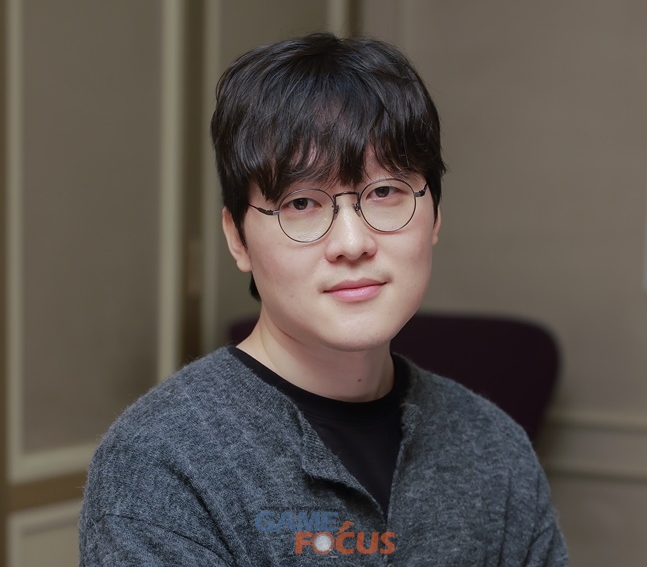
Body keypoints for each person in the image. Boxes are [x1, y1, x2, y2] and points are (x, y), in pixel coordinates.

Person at [79, 32, 568, 565]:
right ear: (237, 238)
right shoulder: (161, 462)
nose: (352, 244)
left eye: (385, 192)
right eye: (301, 203)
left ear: (435, 216)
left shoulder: (495, 448)